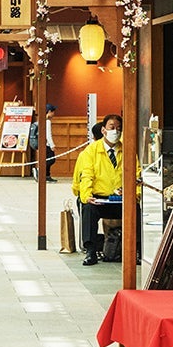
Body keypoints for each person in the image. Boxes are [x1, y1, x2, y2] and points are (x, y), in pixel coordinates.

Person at [71, 114, 123, 265]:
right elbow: (86, 175)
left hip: (120, 199)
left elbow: (136, 174)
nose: (116, 131)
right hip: (99, 198)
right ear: (104, 130)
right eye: (112, 127)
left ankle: (137, 250)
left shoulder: (127, 150)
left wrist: (134, 194)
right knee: (88, 208)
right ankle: (91, 251)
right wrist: (86, 196)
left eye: (119, 128)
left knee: (137, 209)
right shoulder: (91, 151)